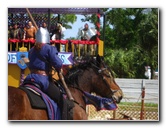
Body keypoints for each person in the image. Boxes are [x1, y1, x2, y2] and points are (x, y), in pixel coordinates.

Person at [23, 27, 71, 119]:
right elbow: (58, 63)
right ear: (47, 37)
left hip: (29, 78)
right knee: (62, 100)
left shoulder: (31, 51)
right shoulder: (49, 48)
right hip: (42, 80)